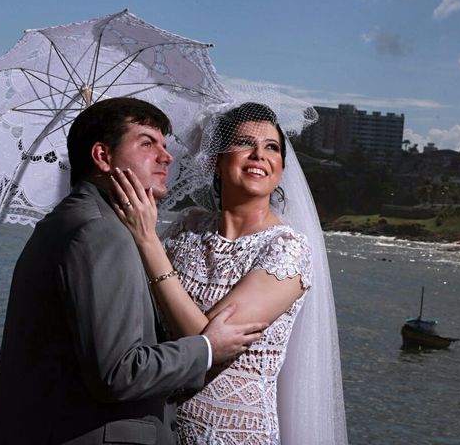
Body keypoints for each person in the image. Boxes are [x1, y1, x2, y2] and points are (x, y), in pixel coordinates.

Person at [0, 97, 266, 445]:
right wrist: (206, 347)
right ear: (102, 156)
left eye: (164, 145)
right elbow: (118, 372)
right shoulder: (100, 232)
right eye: (147, 144)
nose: (166, 157)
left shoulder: (71, 221)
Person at [111, 100, 348, 444]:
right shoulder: (186, 227)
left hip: (234, 433)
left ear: (281, 166)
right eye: (244, 143)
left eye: (271, 148)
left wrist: (147, 240)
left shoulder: (286, 248)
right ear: (215, 162)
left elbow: (209, 347)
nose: (259, 155)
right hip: (159, 425)